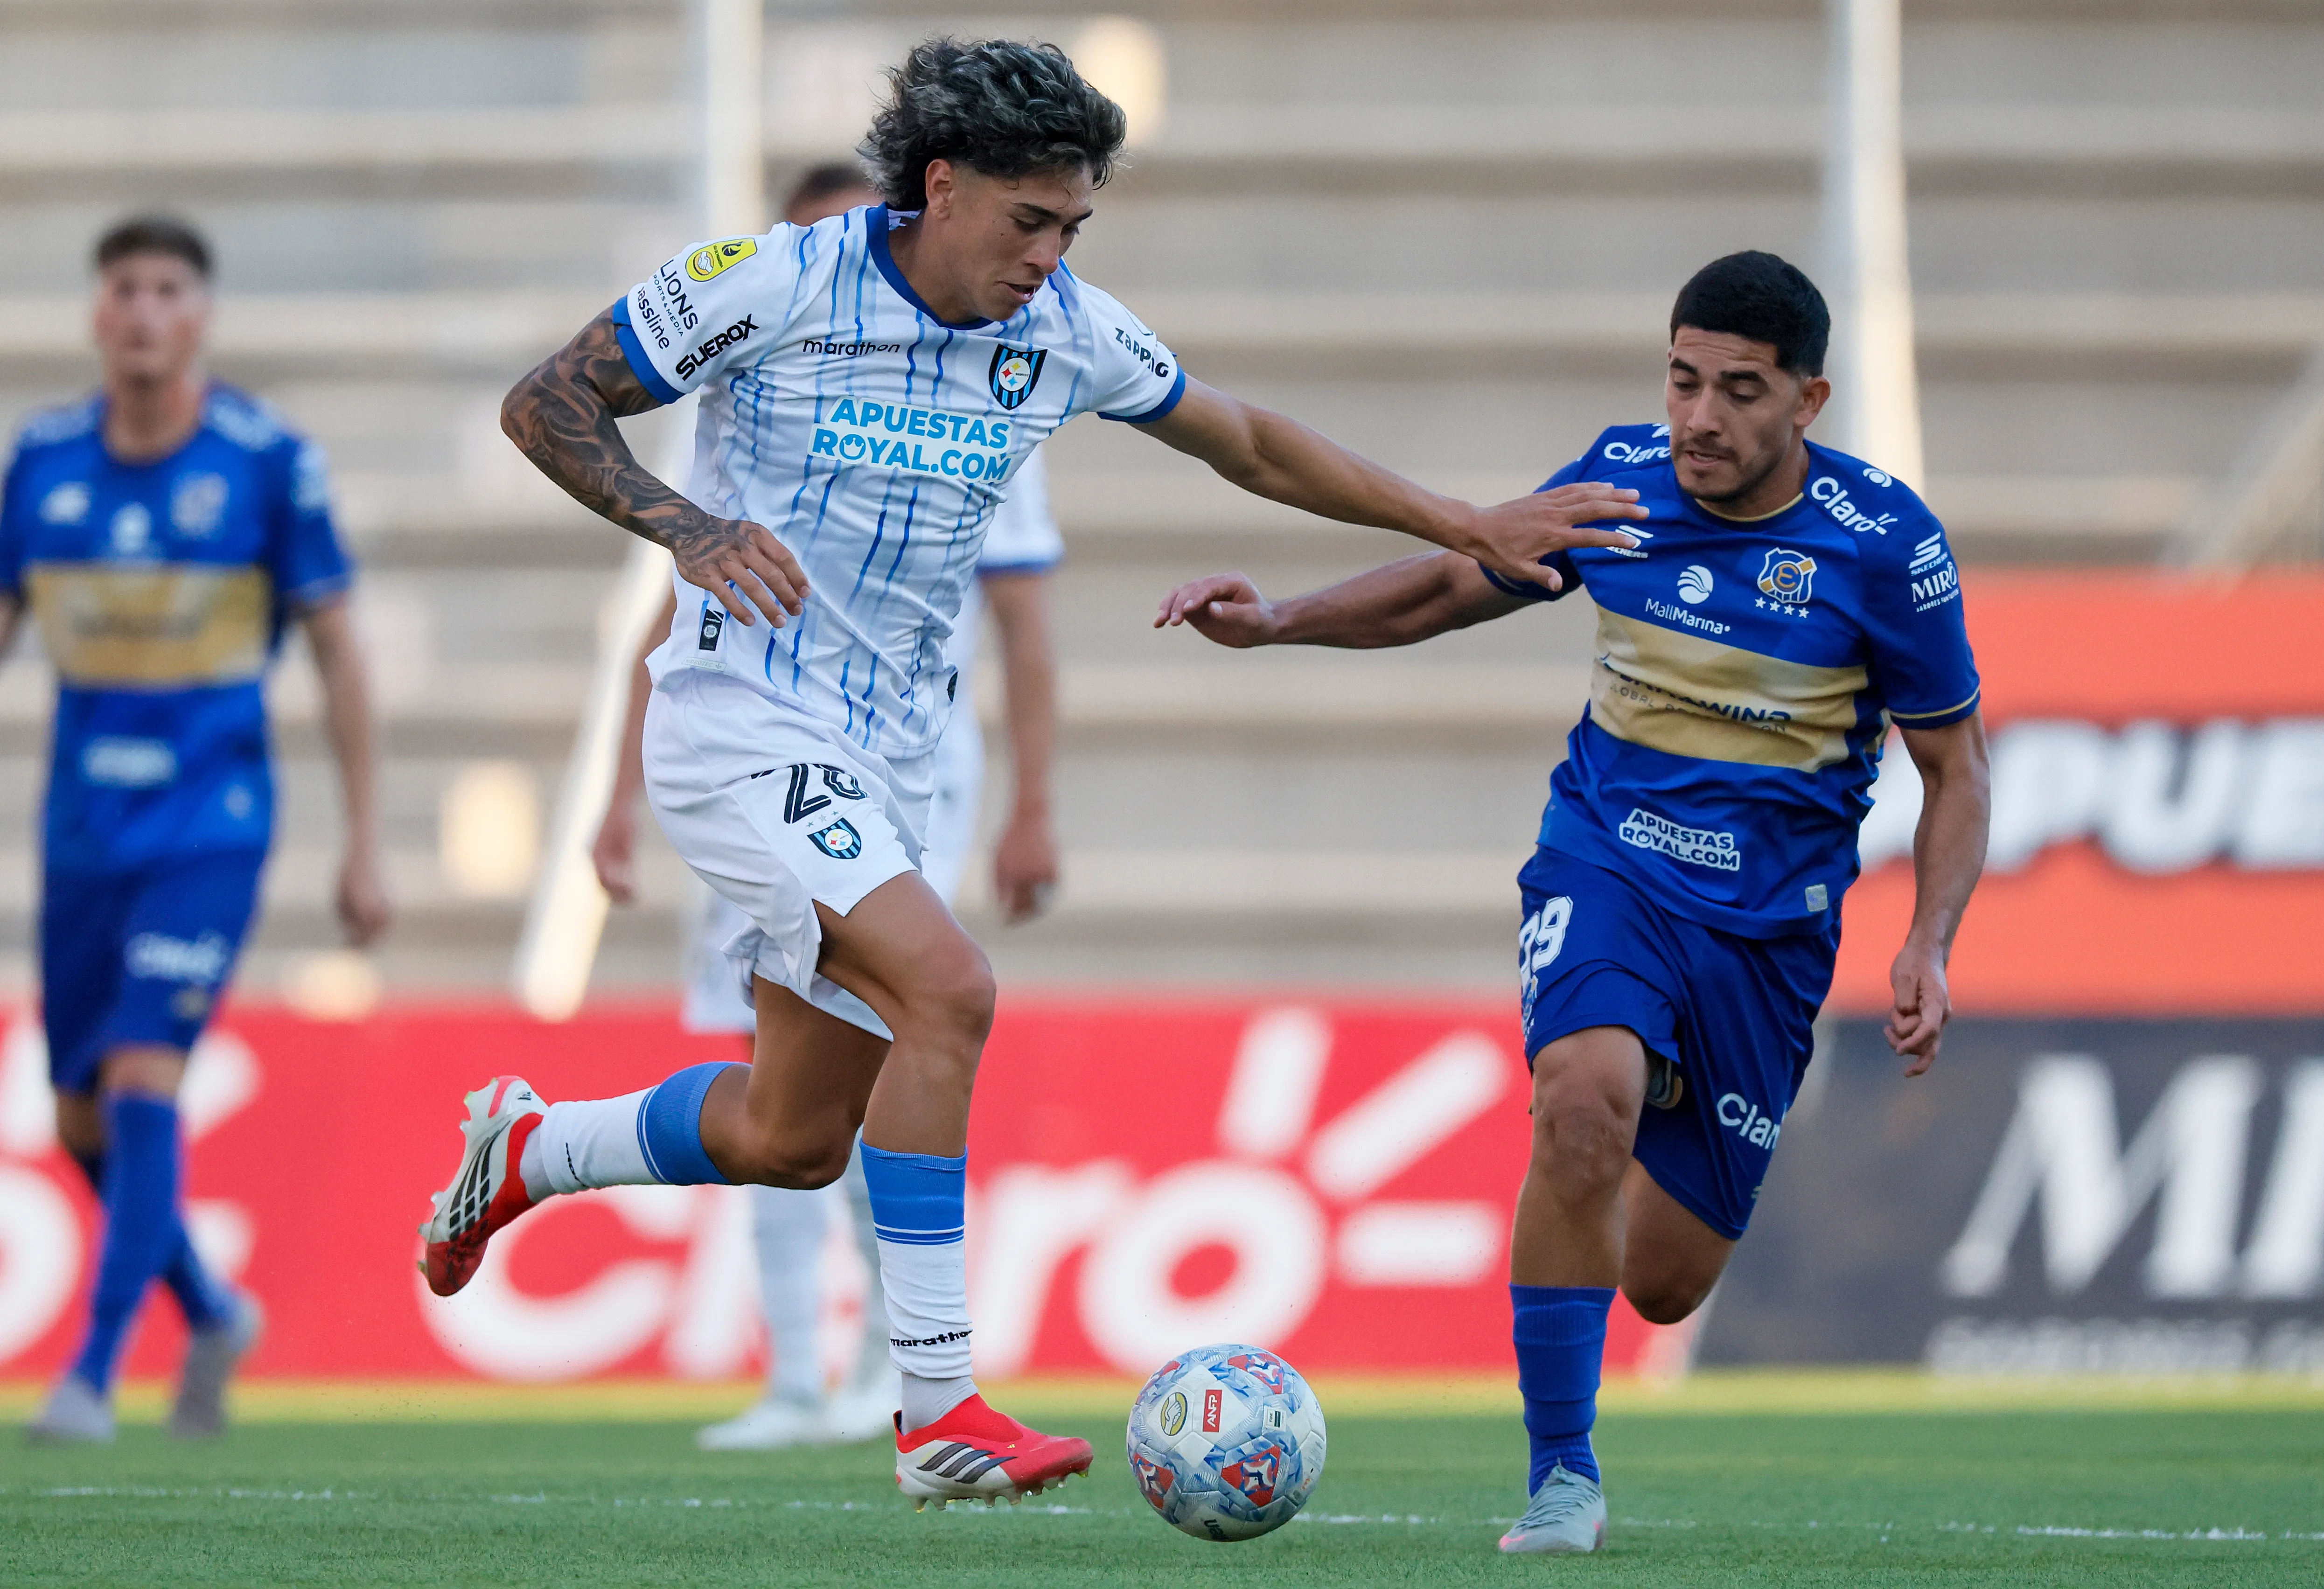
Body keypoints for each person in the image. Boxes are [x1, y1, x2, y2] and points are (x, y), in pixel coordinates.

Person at [419, 37, 1636, 1510]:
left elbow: (1243, 440)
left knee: (793, 1137)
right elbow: (545, 403)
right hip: (739, 720)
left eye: (1073, 231)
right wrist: (687, 527)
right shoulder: (772, 279)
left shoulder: (1060, 329)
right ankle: (938, 1410)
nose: (1049, 260)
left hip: (890, 757)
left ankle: (530, 1149)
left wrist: (1465, 517)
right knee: (954, 990)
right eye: (1027, 223)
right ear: (941, 187)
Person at [1155, 252, 1992, 1554]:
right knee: (1582, 1098)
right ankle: (1562, 1475)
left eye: (1739, 390)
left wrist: (1928, 940)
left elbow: (1955, 768)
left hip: (1768, 935)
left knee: (1661, 1283)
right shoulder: (1619, 482)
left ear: (1809, 402)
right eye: (1682, 378)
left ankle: (1663, 1074)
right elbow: (1450, 582)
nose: (1698, 417)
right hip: (1606, 861)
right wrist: (1279, 624)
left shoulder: (1886, 548)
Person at [588, 160, 1066, 1452]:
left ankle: (878, 1371)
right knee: (825, 1067)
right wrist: (619, 795)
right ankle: (831, 1380)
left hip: (901, 763)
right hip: (750, 740)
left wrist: (1034, 803)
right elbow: (674, 597)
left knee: (831, 1096)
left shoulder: (991, 384)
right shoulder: (760, 378)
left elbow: (1025, 620)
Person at [2, 216, 389, 1443]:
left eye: (169, 289)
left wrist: (365, 837)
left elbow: (336, 649)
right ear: (96, 313)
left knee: (139, 1077)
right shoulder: (44, 462)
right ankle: (214, 1311)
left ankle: (93, 1375)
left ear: (201, 314)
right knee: (76, 1116)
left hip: (210, 822)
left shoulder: (267, 461)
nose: (145, 311)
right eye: (125, 288)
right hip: (79, 828)